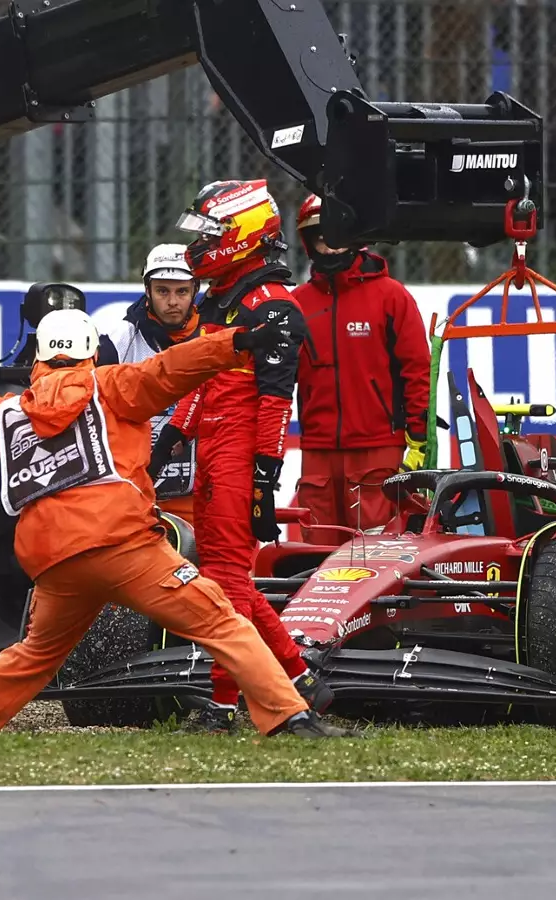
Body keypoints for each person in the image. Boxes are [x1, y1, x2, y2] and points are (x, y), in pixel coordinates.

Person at [0, 306, 350, 739]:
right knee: (220, 622)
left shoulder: (6, 414)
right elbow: (173, 366)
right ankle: (290, 716)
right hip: (124, 547)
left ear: (37, 357)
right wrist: (240, 342)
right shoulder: (114, 386)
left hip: (55, 563)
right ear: (92, 351)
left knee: (34, 654)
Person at [147, 179, 330, 734]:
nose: (200, 246)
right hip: (213, 453)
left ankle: (224, 704)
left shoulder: (272, 307)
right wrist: (172, 440)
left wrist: (261, 479)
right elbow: (206, 384)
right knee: (234, 580)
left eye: (210, 234)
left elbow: (276, 404)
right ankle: (299, 677)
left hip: (238, 457)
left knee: (226, 580)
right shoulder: (229, 301)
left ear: (242, 236)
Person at [291, 194, 431, 537]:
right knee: (314, 554)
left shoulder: (391, 296)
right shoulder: (295, 305)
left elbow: (418, 371)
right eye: (323, 238)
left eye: (339, 237)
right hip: (317, 454)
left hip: (378, 451)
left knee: (376, 556)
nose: (332, 248)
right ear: (309, 243)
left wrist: (419, 440)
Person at [97, 244, 202, 524]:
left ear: (195, 290)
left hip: (199, 492)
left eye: (181, 291)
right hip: (138, 493)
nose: (172, 302)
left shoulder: (213, 336)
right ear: (147, 290)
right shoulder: (118, 338)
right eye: (162, 291)